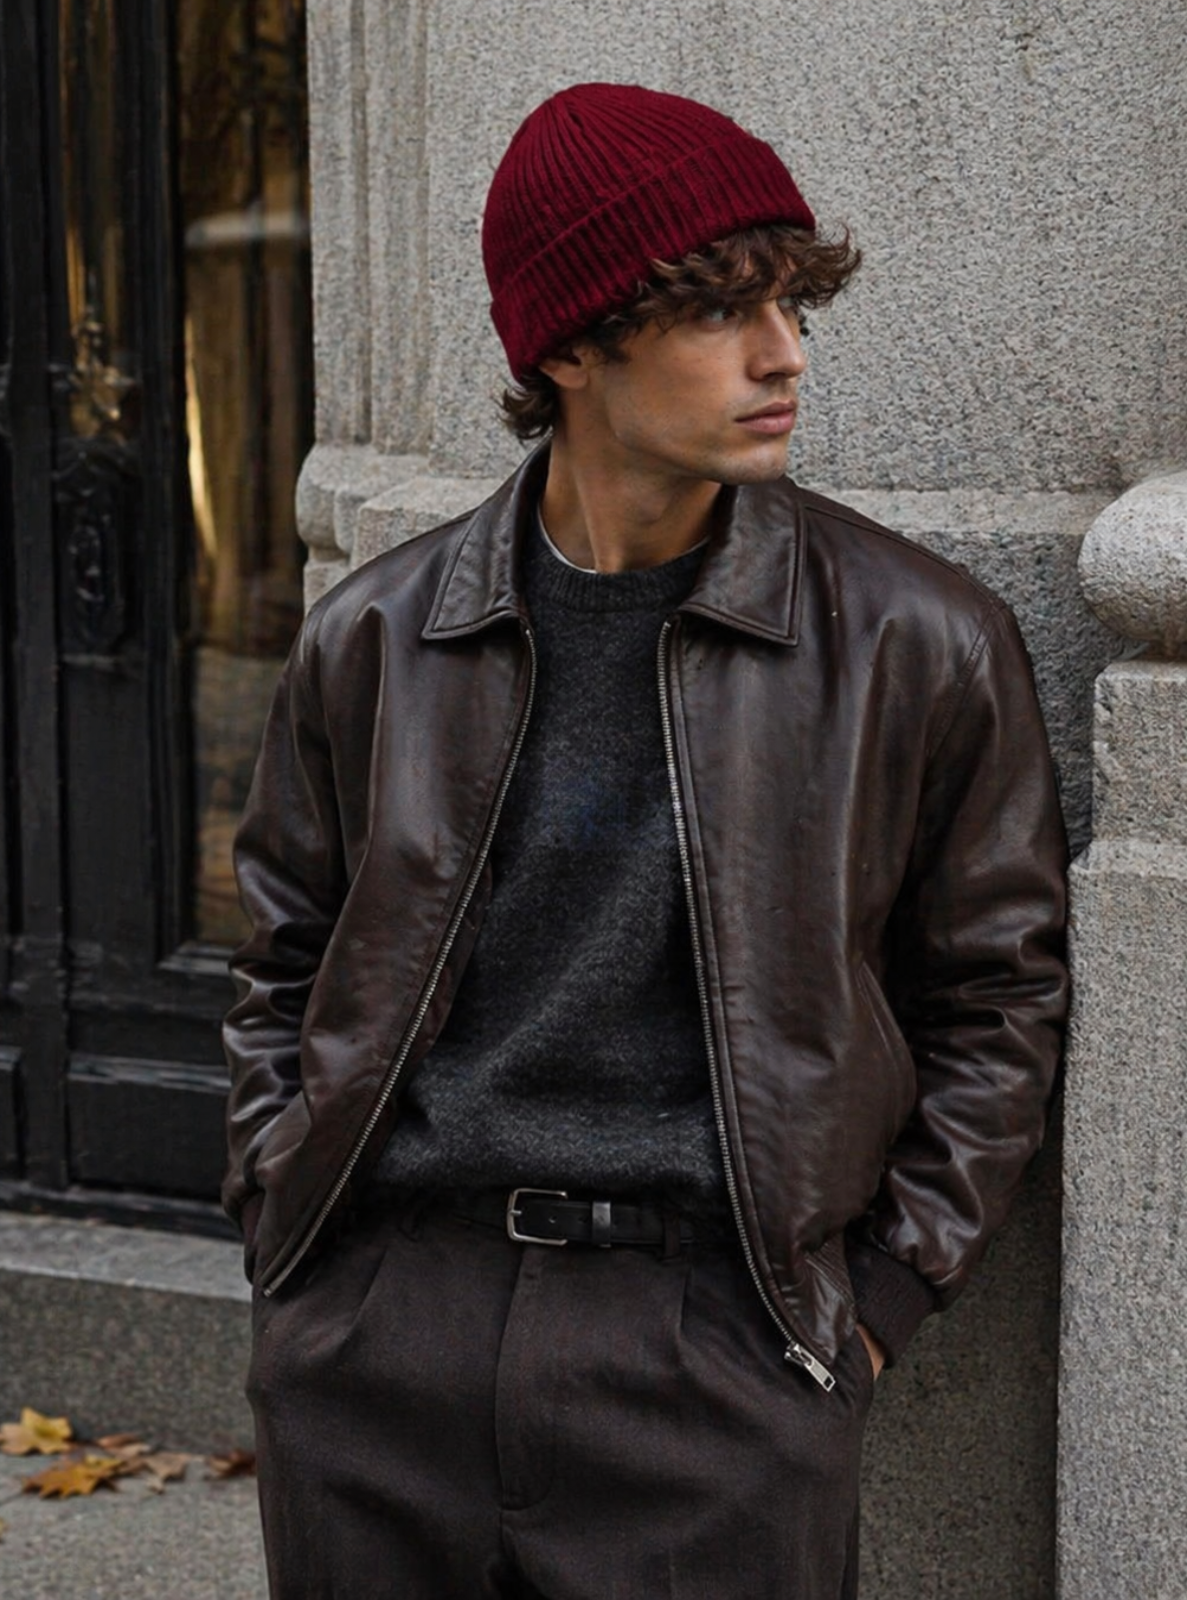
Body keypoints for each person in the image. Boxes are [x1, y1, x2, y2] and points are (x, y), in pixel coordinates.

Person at [223, 82, 1068, 1600]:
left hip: (715, 1358)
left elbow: (996, 999)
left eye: (792, 304)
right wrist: (293, 1247)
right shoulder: (377, 636)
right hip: (383, 1339)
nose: (783, 355)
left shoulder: (916, 644)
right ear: (566, 346)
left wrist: (869, 1304)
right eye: (718, 313)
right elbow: (284, 951)